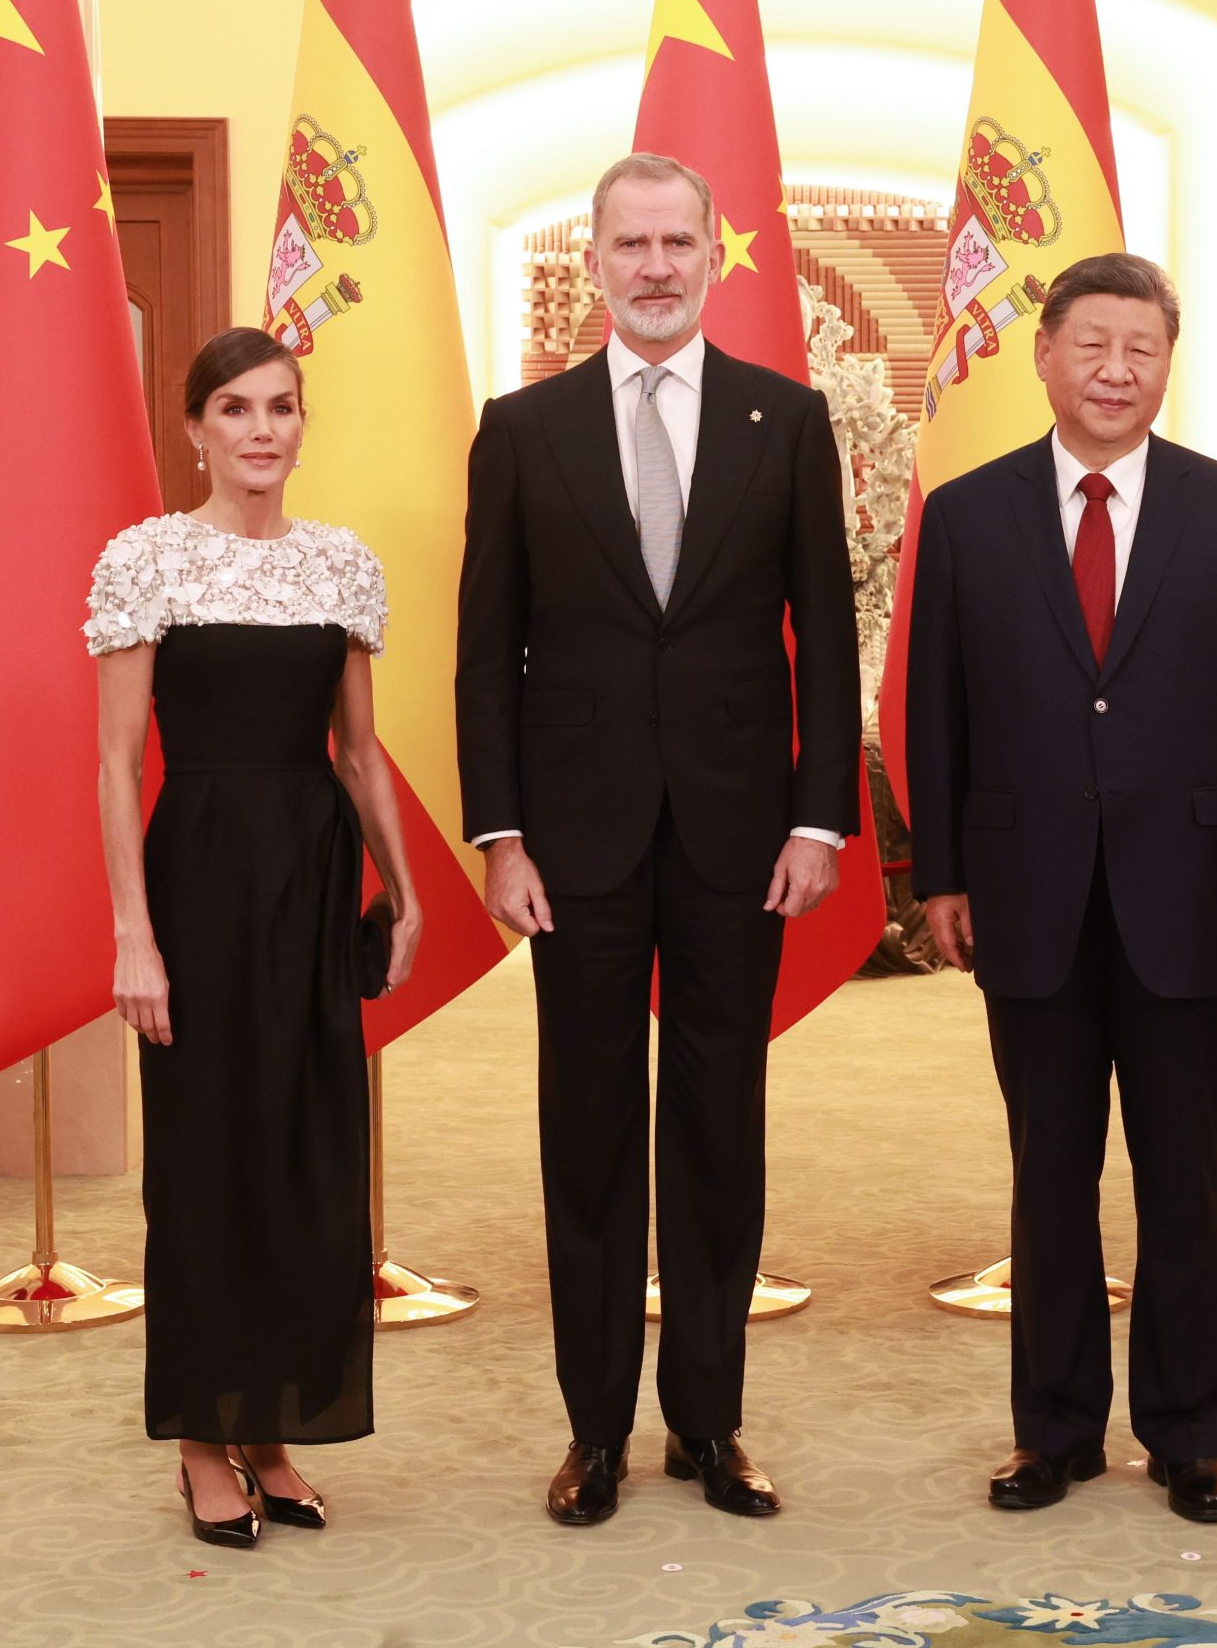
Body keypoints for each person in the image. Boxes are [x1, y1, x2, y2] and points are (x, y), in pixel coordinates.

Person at [455, 153, 859, 1527]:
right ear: (596, 258)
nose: (655, 265)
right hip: (570, 841)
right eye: (630, 242)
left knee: (716, 1127)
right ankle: (594, 1430)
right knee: (586, 1129)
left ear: (713, 254)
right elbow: (482, 651)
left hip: (742, 834)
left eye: (678, 240)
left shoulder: (786, 418)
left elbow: (828, 634)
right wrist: (499, 833)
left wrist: (820, 813)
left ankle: (710, 1420)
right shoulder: (523, 426)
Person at [904, 252, 1217, 1525]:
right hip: (1024, 893)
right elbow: (936, 710)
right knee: (1050, 1175)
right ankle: (1054, 1430)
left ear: (1165, 363)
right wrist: (941, 877)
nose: (1115, 370)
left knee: (1184, 1177)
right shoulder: (969, 514)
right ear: (1044, 355)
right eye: (1091, 344)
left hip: (1192, 892)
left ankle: (1188, 1435)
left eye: (1140, 348)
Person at [87, 327, 421, 1550]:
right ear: (195, 428)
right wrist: (135, 935)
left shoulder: (341, 566)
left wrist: (408, 885)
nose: (261, 430)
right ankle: (198, 1441)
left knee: (307, 1159)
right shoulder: (145, 561)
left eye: (281, 407)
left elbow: (358, 749)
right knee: (204, 1162)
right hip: (198, 883)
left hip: (314, 881)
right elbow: (119, 767)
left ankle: (273, 1430)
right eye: (235, 409)